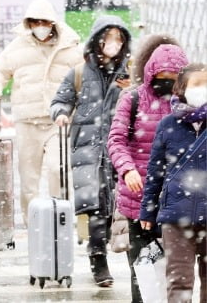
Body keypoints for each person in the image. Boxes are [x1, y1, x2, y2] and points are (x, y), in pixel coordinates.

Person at [0, 0, 83, 225]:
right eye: (35, 22)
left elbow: (83, 77)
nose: (40, 26)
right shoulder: (17, 47)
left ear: (53, 23)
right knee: (29, 179)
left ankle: (60, 218)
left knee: (59, 170)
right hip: (27, 121)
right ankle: (32, 223)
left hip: (59, 120)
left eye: (44, 21)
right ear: (28, 24)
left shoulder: (70, 47)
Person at [50, 15, 132, 287]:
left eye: (118, 39)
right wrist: (61, 113)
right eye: (108, 38)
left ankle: (127, 260)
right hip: (88, 149)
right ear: (97, 40)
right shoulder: (78, 72)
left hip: (120, 149)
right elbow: (61, 100)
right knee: (96, 208)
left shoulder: (128, 73)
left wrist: (130, 87)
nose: (113, 44)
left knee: (117, 208)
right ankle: (98, 261)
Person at [107, 43, 188, 303]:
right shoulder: (132, 99)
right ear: (151, 72)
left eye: (173, 79)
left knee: (173, 274)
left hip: (176, 202)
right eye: (162, 77)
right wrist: (128, 169)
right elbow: (116, 140)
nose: (167, 84)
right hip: (139, 199)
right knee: (142, 274)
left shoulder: (189, 105)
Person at [139, 63, 206, 303]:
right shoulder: (168, 124)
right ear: (182, 88)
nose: (203, 89)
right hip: (176, 216)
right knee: (179, 283)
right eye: (197, 84)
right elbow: (155, 170)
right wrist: (147, 210)